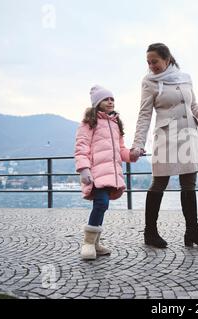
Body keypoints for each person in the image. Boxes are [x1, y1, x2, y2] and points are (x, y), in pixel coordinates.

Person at [130, 43, 198, 249]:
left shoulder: (185, 77)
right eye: (148, 62)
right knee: (159, 183)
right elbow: (144, 114)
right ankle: (150, 232)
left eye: (155, 62)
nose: (151, 66)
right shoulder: (149, 82)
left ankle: (192, 232)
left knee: (189, 184)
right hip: (166, 137)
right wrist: (138, 144)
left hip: (188, 135)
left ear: (167, 59)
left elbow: (193, 106)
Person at [75, 85, 137, 260]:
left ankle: (95, 244)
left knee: (103, 205)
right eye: (106, 99)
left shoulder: (116, 123)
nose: (110, 102)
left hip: (112, 173)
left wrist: (133, 154)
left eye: (112, 99)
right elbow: (81, 147)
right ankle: (88, 244)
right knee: (101, 203)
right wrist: (84, 169)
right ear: (97, 103)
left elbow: (121, 150)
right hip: (95, 172)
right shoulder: (89, 123)